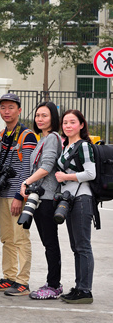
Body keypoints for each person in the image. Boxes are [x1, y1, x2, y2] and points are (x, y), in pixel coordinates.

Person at [0, 93, 37, 296]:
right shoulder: (2, 135)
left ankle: (23, 282)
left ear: (19, 110)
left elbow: (27, 168)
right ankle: (9, 277)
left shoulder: (27, 135)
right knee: (7, 238)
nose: (6, 111)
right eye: (3, 108)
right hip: (3, 194)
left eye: (10, 107)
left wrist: (20, 196)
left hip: (18, 194)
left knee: (21, 238)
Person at [20, 101, 63, 300]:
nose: (40, 119)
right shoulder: (43, 138)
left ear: (53, 118)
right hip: (39, 197)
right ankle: (53, 282)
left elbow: (46, 167)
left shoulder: (52, 138)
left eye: (44, 115)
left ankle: (54, 285)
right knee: (48, 242)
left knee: (50, 243)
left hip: (46, 198)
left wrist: (26, 182)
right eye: (38, 115)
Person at [54, 109, 96, 304]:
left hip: (82, 199)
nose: (68, 125)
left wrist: (65, 177)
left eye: (72, 122)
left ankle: (85, 290)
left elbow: (91, 173)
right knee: (76, 246)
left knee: (83, 246)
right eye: (65, 122)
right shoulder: (66, 146)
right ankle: (79, 287)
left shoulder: (84, 146)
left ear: (81, 125)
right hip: (71, 199)